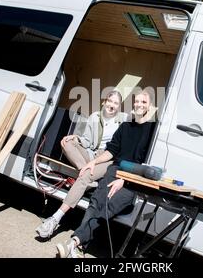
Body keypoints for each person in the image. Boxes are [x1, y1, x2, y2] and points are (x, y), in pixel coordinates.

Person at [55, 88, 156, 258]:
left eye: (143, 102)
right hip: (115, 170)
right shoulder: (125, 126)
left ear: (150, 105)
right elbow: (112, 150)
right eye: (137, 101)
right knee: (95, 202)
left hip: (133, 179)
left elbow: (144, 163)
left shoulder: (152, 129)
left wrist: (125, 180)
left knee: (108, 206)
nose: (139, 104)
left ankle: (75, 242)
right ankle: (77, 247)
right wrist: (93, 162)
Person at [36, 90, 127, 239]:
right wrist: (75, 138)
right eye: (110, 101)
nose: (112, 105)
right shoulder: (94, 117)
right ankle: (84, 173)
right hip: (92, 155)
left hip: (108, 159)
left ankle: (55, 219)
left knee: (86, 176)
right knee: (67, 142)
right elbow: (87, 141)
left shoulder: (123, 121)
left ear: (119, 106)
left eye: (116, 103)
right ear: (104, 102)